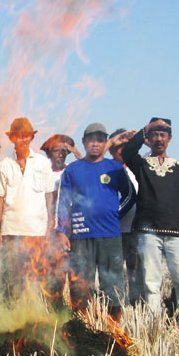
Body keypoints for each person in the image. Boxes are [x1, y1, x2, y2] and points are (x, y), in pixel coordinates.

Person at [121, 118, 179, 317]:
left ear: (170, 139)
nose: (159, 139)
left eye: (163, 135)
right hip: (148, 232)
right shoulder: (142, 165)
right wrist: (144, 129)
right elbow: (127, 152)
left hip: (176, 231)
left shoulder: (178, 167)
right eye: (155, 134)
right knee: (151, 282)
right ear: (149, 138)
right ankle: (153, 322)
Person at [55, 124, 133, 320]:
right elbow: (64, 201)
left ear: (105, 143)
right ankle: (83, 325)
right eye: (91, 139)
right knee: (80, 285)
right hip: (81, 236)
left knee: (113, 284)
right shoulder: (73, 170)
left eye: (100, 139)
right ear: (84, 142)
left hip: (110, 235)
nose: (95, 143)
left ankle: (114, 327)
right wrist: (62, 231)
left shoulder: (114, 168)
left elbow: (130, 195)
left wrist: (115, 214)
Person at [0, 117, 57, 298]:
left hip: (36, 230)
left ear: (31, 138)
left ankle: (33, 313)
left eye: (27, 136)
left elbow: (49, 194)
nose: (23, 140)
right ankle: (12, 315)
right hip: (11, 230)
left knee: (35, 275)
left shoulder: (43, 163)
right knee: (11, 277)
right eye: (19, 136)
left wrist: (51, 222)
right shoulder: (4, 165)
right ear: (12, 139)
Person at [41, 133, 79, 304]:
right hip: (48, 228)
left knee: (74, 270)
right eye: (56, 150)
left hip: (71, 228)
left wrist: (76, 151)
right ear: (48, 153)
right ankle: (55, 305)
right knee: (54, 270)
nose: (60, 154)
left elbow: (87, 168)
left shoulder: (73, 170)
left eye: (64, 151)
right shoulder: (42, 171)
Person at [109, 129, 141, 305]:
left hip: (136, 230)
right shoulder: (106, 168)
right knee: (113, 272)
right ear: (111, 150)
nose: (121, 151)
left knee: (136, 272)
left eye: (125, 147)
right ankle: (116, 305)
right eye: (117, 147)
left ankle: (137, 305)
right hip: (114, 231)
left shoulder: (139, 167)